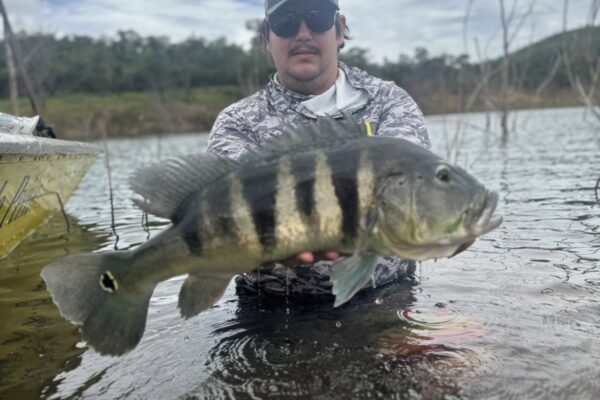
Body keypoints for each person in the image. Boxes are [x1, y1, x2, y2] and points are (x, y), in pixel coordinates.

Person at [207, 0, 431, 299]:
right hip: (270, 309)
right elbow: (226, 214)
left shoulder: (389, 101)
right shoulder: (237, 122)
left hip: (392, 298)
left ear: (339, 29)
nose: (302, 34)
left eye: (317, 17)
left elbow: (414, 193)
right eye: (286, 22)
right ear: (267, 39)